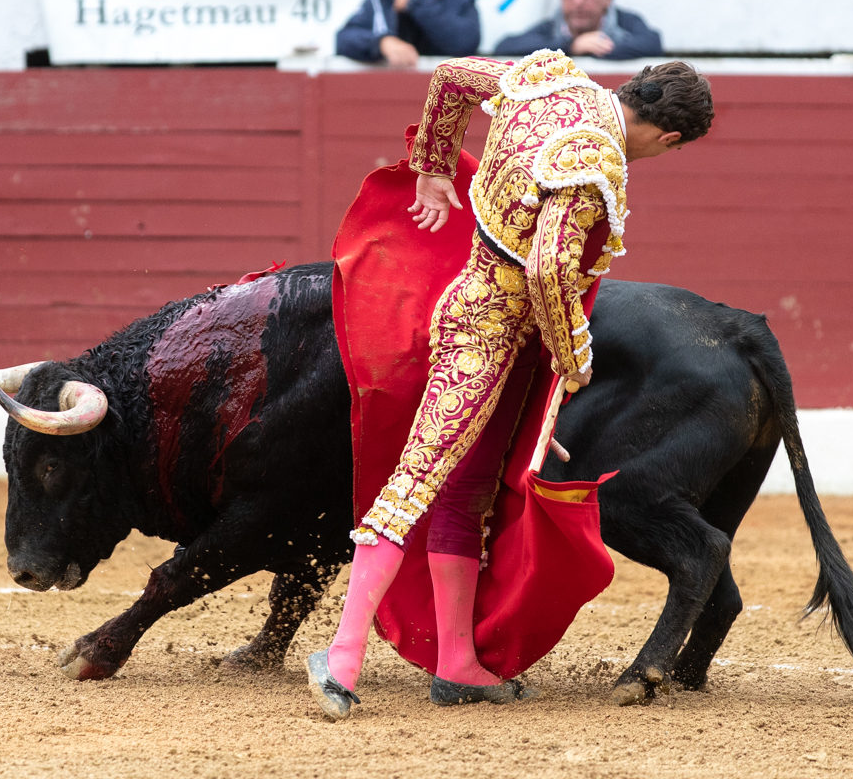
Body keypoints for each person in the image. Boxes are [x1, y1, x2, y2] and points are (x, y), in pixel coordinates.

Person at [306, 51, 714, 720]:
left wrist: (435, 171)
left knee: (466, 488)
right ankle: (344, 658)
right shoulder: (595, 160)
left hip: (479, 314)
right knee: (417, 483)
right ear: (669, 137)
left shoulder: (549, 79)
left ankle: (459, 663)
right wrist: (575, 359)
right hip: (487, 339)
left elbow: (452, 80)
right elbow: (551, 271)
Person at [494, 0, 662, 60]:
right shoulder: (549, 27)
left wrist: (596, 48)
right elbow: (505, 47)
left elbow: (652, 43)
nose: (578, 1)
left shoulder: (626, 22)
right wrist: (571, 46)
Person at [336, 0, 481, 68]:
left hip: (447, 101)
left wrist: (417, 1)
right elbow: (344, 39)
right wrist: (382, 42)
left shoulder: (460, 1)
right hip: (392, 95)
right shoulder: (380, 1)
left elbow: (465, 43)